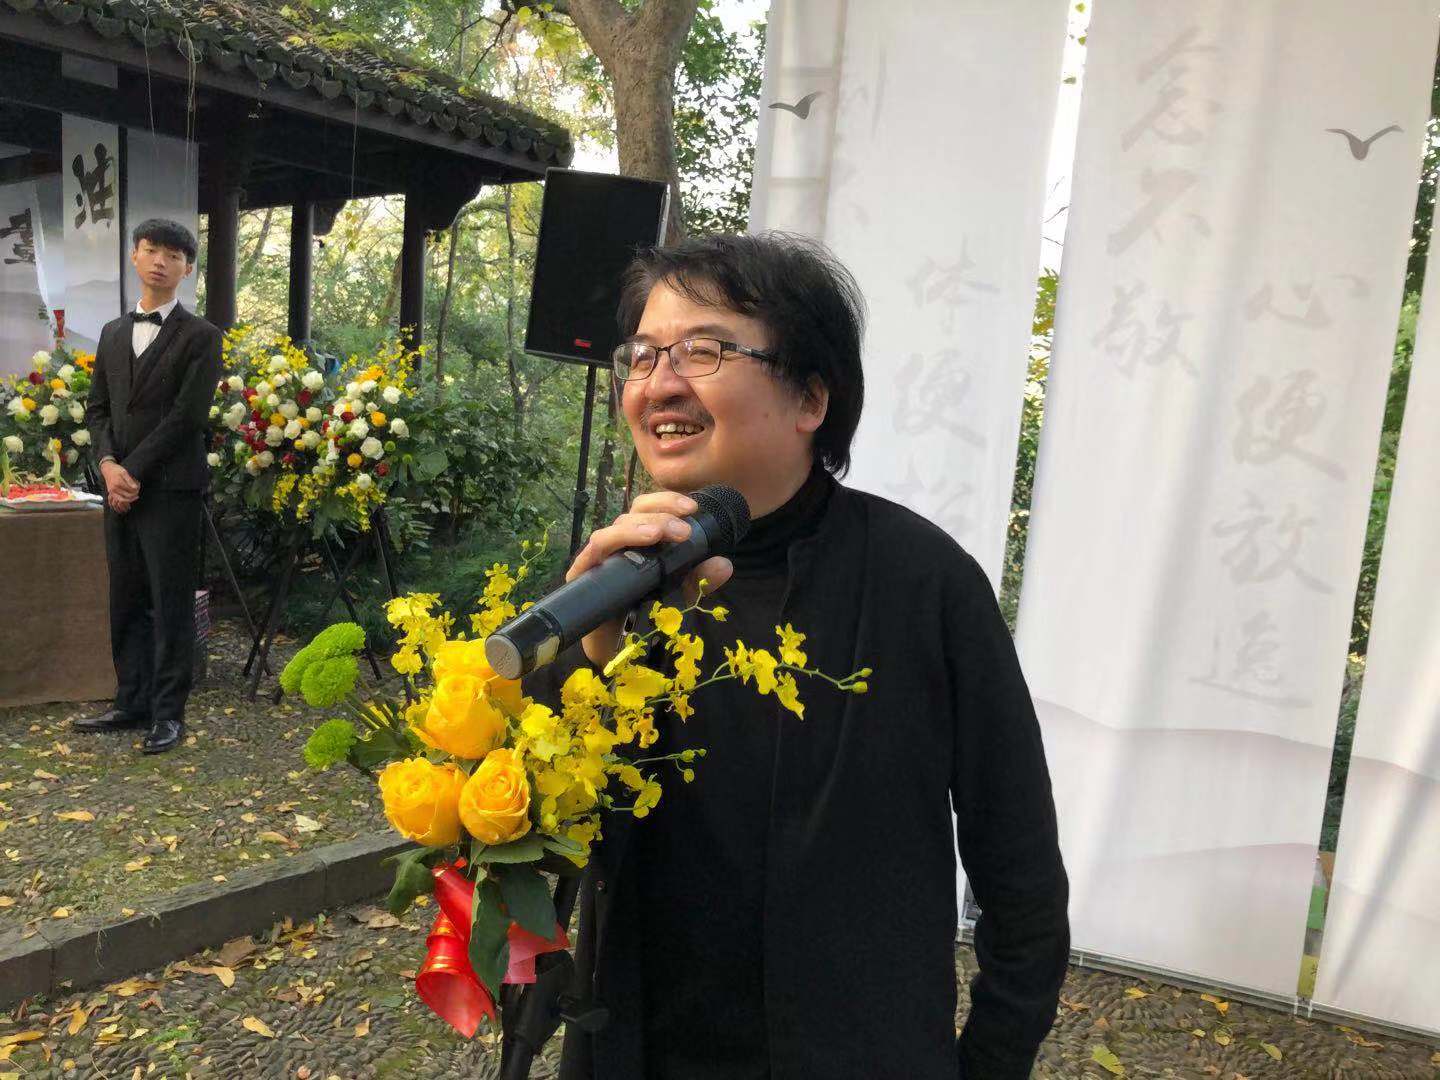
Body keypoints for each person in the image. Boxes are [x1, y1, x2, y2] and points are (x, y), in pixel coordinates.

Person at [529, 232, 1070, 1080]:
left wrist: (991, 1063)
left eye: (702, 350)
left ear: (811, 397)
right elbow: (536, 849)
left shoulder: (925, 583)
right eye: (642, 356)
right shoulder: (609, 580)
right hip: (640, 1053)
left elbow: (1020, 863)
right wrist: (593, 663)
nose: (659, 383)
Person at [75, 218, 222, 755]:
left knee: (170, 601)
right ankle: (131, 701)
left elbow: (188, 416)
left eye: (174, 255)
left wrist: (130, 471)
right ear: (135, 257)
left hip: (172, 491)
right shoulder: (112, 332)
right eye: (152, 250)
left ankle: (168, 714)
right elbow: (97, 409)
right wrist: (108, 464)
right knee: (126, 597)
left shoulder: (202, 336)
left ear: (188, 269)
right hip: (118, 488)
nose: (161, 261)